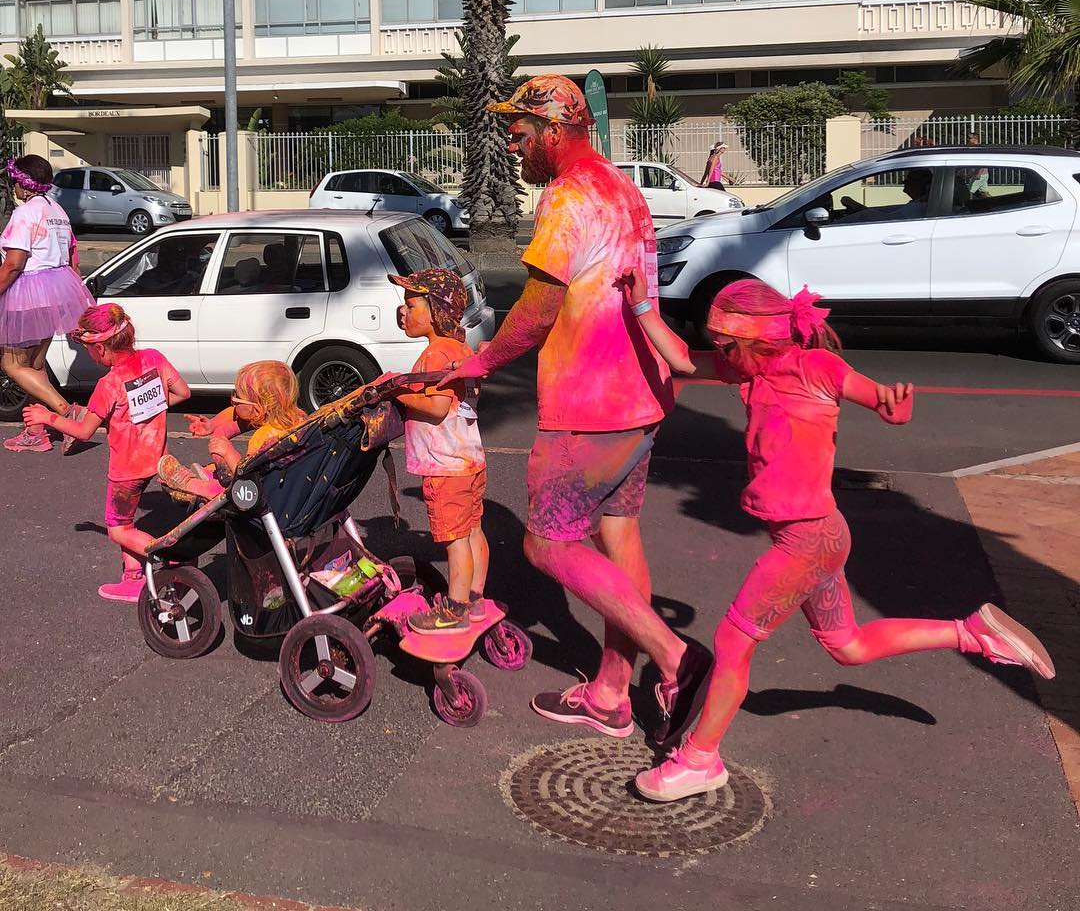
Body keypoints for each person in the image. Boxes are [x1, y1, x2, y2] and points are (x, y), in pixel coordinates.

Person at [616, 270, 1057, 802]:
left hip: (807, 541)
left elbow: (877, 399)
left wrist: (892, 403)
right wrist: (642, 307)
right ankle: (973, 632)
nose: (720, 352)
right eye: (719, 344)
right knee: (847, 646)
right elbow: (682, 359)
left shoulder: (813, 365)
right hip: (818, 539)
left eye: (727, 343)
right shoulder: (750, 372)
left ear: (759, 335)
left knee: (734, 641)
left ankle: (700, 761)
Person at [439, 74, 711, 743]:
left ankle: (677, 658)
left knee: (546, 543)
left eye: (521, 129)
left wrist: (476, 361)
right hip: (642, 397)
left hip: (589, 403)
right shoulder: (622, 188)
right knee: (618, 536)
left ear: (554, 132)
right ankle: (614, 693)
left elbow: (535, 312)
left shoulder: (566, 197)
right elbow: (639, 283)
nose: (512, 139)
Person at [24, 303, 191, 601]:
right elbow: (183, 393)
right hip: (157, 457)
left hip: (126, 468)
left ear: (100, 348)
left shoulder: (109, 385)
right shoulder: (153, 358)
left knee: (117, 529)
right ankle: (133, 578)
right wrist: (147, 409)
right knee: (126, 524)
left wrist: (46, 417)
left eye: (87, 348)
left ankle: (169, 556)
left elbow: (83, 431)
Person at [371, 268, 489, 634]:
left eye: (410, 304)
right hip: (470, 460)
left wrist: (393, 389)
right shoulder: (460, 349)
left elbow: (436, 407)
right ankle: (475, 599)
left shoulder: (436, 354)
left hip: (445, 465)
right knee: (472, 532)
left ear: (436, 309)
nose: (402, 312)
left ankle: (453, 611)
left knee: (454, 540)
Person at [0, 154, 94, 454]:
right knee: (35, 365)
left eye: (15, 180)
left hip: (27, 291)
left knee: (12, 363)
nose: (13, 185)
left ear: (24, 184)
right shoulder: (58, 210)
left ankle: (66, 412)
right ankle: (36, 430)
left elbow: (14, 264)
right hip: (55, 289)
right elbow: (71, 257)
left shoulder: (25, 213)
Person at [157, 360, 306, 501]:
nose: (233, 400)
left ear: (258, 410)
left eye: (237, 396)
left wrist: (228, 452)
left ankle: (190, 483)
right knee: (216, 470)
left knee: (218, 488)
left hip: (258, 495)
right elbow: (236, 414)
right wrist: (212, 425)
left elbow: (249, 480)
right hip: (291, 488)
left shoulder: (264, 437)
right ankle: (211, 475)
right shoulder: (297, 419)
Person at [841, 167, 931, 221]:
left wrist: (854, 205)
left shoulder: (917, 207)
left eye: (910, 179)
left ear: (923, 184)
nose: (904, 181)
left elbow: (883, 219)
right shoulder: (918, 204)